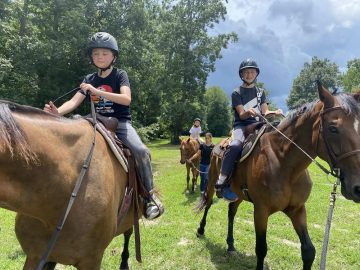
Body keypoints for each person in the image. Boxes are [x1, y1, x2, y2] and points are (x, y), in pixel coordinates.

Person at [43, 32, 163, 220]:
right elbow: (73, 102)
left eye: (104, 54)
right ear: (91, 56)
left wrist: (96, 91)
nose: (100, 57)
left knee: (140, 150)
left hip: (119, 123)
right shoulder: (89, 79)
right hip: (94, 120)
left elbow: (126, 99)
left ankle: (150, 197)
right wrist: (57, 112)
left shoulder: (120, 75)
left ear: (113, 56)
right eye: (96, 53)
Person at [215, 58, 283, 202]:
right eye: (246, 72)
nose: (249, 74)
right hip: (242, 126)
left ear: (256, 74)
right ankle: (222, 181)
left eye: (252, 72)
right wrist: (248, 112)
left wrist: (274, 112)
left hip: (259, 125)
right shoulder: (236, 92)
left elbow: (264, 112)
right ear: (242, 75)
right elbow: (241, 114)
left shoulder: (260, 92)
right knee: (235, 146)